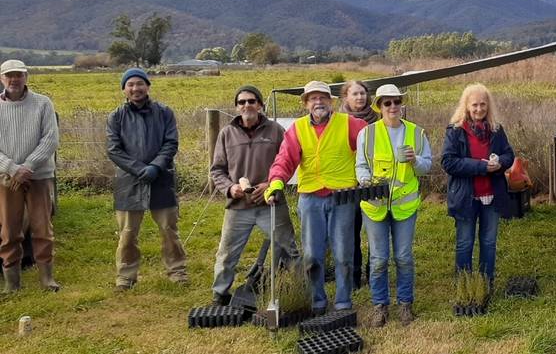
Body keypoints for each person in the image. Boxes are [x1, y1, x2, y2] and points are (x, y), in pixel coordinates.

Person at [264, 81, 368, 314]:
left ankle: (343, 301)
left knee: (343, 253)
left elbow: (371, 145)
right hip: (310, 198)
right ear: (305, 103)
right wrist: (276, 182)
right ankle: (317, 300)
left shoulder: (351, 124)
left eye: (323, 97)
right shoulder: (297, 129)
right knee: (312, 254)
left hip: (343, 196)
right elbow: (285, 160)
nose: (318, 102)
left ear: (331, 101)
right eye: (312, 98)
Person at [209, 85, 300, 305]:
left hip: (270, 203)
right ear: (236, 107)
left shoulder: (276, 131)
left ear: (260, 105)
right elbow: (216, 170)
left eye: (252, 101)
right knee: (227, 254)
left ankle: (299, 289)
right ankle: (220, 295)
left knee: (290, 250)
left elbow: (289, 164)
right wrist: (231, 188)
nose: (247, 105)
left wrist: (270, 185)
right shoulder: (226, 134)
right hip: (238, 206)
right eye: (242, 102)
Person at [355, 84, 432, 327]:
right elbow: (361, 166)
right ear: (379, 106)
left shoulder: (417, 133)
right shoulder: (367, 134)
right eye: (387, 103)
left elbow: (427, 166)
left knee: (403, 256)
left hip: (405, 206)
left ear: (401, 104)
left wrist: (415, 160)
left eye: (396, 102)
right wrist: (366, 181)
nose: (393, 107)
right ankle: (380, 305)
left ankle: (405, 304)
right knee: (378, 258)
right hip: (375, 206)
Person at [107, 68, 188, 291]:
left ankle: (177, 271)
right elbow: (113, 149)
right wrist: (139, 169)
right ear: (124, 90)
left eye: (139, 83)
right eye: (130, 84)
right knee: (127, 233)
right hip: (128, 183)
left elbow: (171, 143)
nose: (135, 88)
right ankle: (126, 276)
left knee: (169, 229)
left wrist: (155, 166)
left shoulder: (164, 113)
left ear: (148, 86)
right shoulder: (116, 116)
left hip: (161, 180)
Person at [441, 83, 514, 285]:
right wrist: (480, 167)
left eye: (483, 104)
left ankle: (485, 282)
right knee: (465, 243)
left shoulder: (497, 130)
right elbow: (448, 162)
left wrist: (500, 162)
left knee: (489, 242)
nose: (479, 109)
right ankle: (464, 284)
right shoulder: (455, 131)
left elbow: (509, 154)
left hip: (492, 195)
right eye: (474, 105)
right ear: (466, 106)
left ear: (488, 105)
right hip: (466, 196)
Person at [0, 59, 60, 293]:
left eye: (19, 75)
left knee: (42, 227)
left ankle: (47, 279)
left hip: (39, 176)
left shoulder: (43, 103)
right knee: (9, 230)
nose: (14, 79)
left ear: (27, 77)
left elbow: (50, 139)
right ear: (2, 79)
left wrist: (28, 166)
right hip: (7, 178)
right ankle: (12, 283)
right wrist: (13, 169)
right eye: (9, 75)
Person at [339, 80, 380, 290]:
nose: (359, 98)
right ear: (345, 97)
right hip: (350, 184)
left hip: (374, 182)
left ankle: (373, 272)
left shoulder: (378, 119)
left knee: (375, 230)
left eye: (362, 93)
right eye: (354, 94)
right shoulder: (338, 122)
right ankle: (354, 276)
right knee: (351, 231)